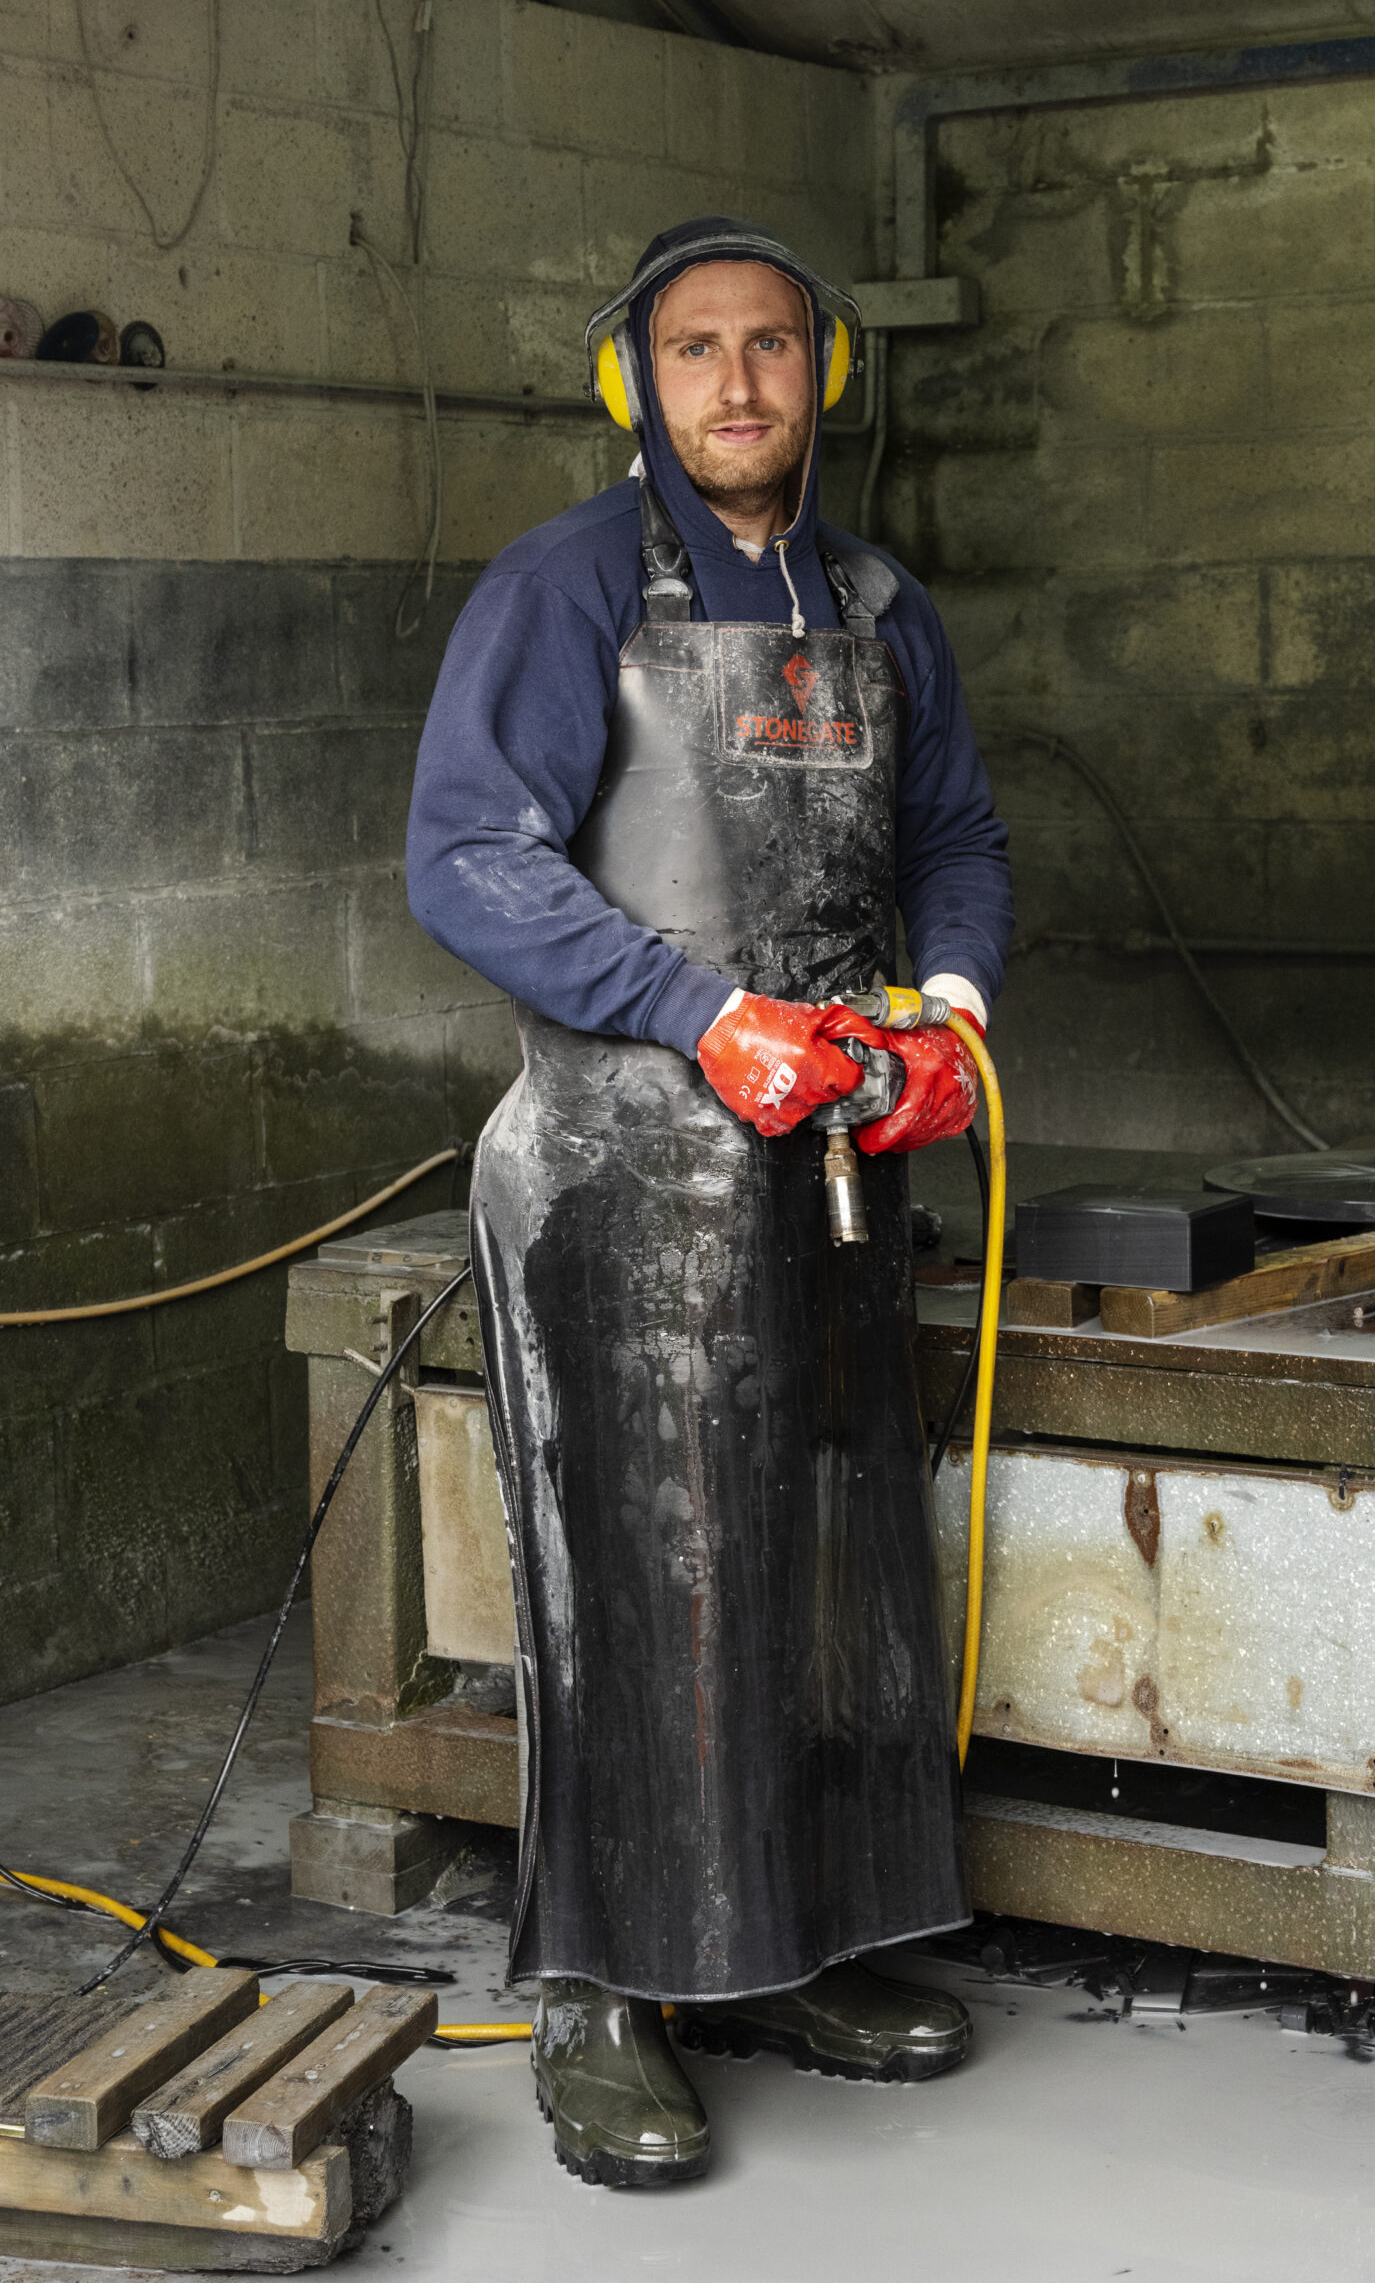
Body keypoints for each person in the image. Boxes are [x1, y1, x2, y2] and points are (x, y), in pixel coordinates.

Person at [406, 216, 1013, 2190]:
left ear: (823, 374)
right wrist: (697, 1008)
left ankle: (781, 1950)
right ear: (634, 383)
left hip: (828, 1173)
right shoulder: (566, 585)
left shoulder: (872, 593)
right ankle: (600, 1990)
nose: (735, 381)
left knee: (824, 1565)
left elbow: (953, 835)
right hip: (617, 1166)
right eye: (692, 350)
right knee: (640, 1578)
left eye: (771, 345)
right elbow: (468, 858)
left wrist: (943, 1008)